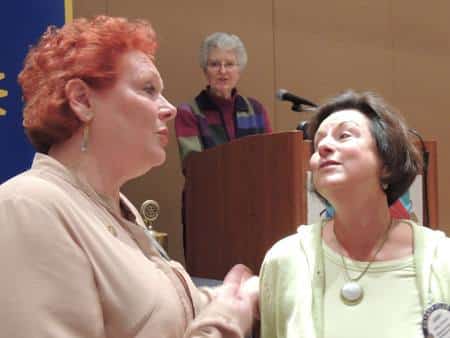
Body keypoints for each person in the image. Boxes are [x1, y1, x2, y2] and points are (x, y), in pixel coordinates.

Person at [0, 16, 258, 338]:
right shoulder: (29, 206)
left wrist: (243, 293)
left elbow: (164, 309)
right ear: (82, 100)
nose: (169, 109)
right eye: (148, 89)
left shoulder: (114, 208)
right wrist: (224, 325)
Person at [259, 90, 450, 338]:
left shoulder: (443, 260)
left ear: (387, 163)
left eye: (344, 135)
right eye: (317, 144)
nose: (324, 147)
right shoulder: (285, 260)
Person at [175, 32, 272, 163]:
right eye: (215, 64)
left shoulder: (256, 110)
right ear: (205, 70)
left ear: (239, 70)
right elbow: (193, 165)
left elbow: (270, 157)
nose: (222, 71)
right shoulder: (188, 112)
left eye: (229, 64)